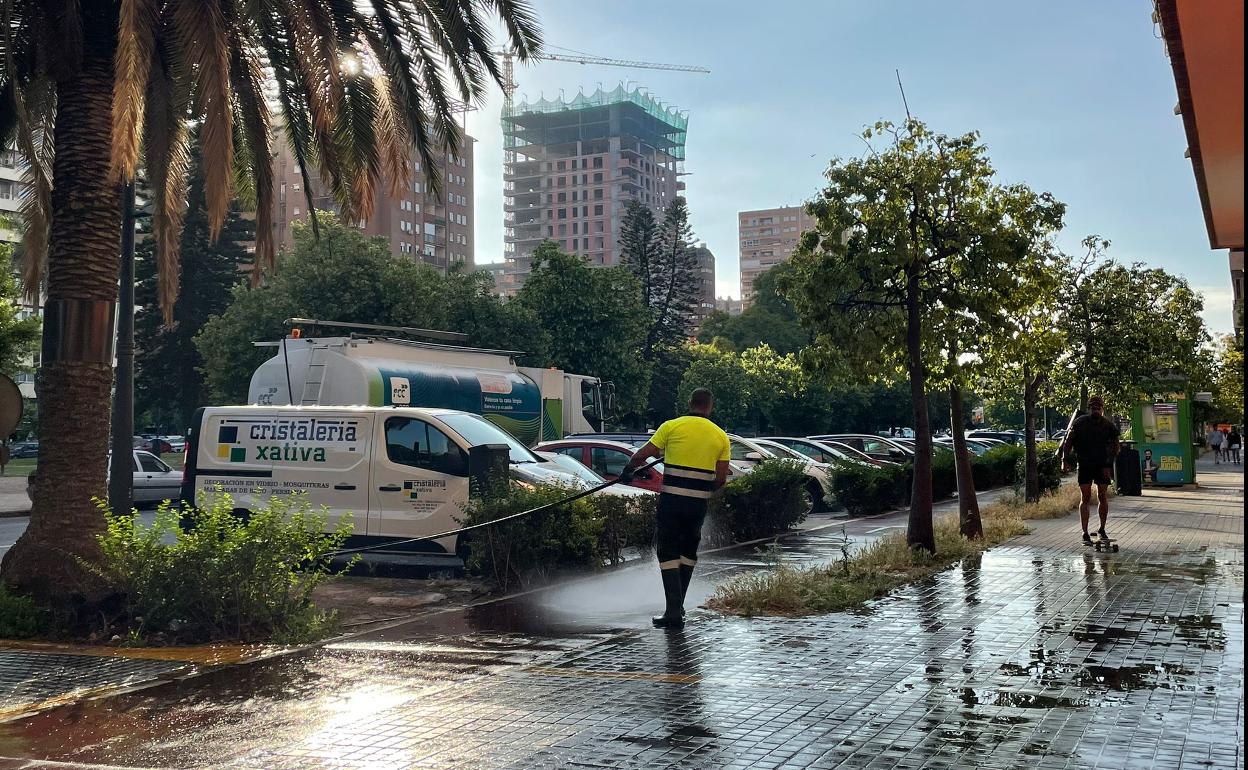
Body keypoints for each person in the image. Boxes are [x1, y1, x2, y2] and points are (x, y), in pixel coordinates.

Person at [620, 388, 731, 629]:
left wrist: (628, 470)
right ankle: (678, 607)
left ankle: (672, 611)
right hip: (697, 505)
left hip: (671, 502)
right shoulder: (720, 436)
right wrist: (702, 493)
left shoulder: (671, 426)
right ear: (710, 407)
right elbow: (721, 478)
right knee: (688, 552)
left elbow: (644, 454)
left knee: (667, 551)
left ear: (690, 403)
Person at [1059, 396, 1120, 545]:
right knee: (1085, 497)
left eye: (1098, 407)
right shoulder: (1080, 423)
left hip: (1102, 465)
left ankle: (1102, 529)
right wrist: (1064, 460)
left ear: (1102, 409)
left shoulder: (1109, 426)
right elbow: (1068, 442)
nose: (1096, 410)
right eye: (1093, 407)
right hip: (1085, 464)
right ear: (1089, 408)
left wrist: (1108, 465)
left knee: (1102, 495)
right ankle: (1085, 532)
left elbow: (1115, 447)